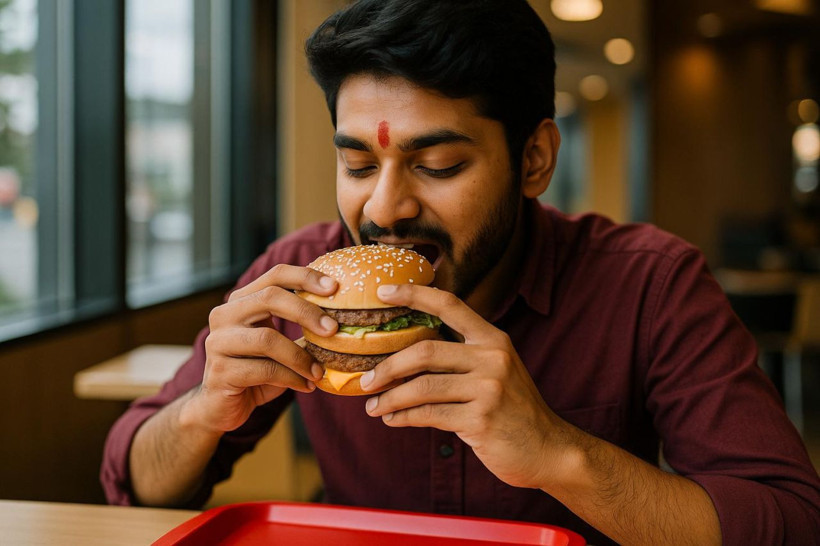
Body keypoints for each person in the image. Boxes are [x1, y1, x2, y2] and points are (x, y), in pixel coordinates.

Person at [101, 1, 820, 544]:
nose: (384, 207)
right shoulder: (296, 278)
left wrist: (557, 452)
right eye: (356, 164)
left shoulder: (649, 284)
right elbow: (131, 483)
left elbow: (787, 518)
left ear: (534, 160)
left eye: (437, 165)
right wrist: (202, 412)